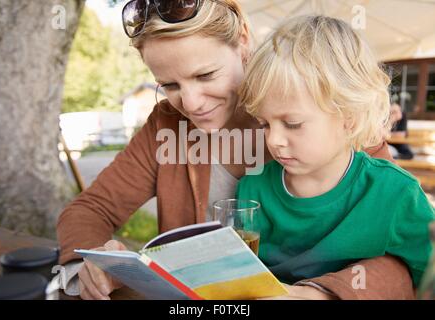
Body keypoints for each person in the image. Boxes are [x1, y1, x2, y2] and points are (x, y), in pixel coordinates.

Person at [57, 0, 414, 300]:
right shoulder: (166, 124)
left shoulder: (323, 104)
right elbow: (92, 208)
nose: (192, 103)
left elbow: (399, 252)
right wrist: (91, 262)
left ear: (242, 40)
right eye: (169, 84)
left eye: (206, 75)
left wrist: (323, 292)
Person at [236, 15, 435, 297]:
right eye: (264, 124)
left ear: (349, 119)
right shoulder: (252, 188)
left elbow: (428, 272)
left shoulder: (395, 194)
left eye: (292, 124)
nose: (274, 140)